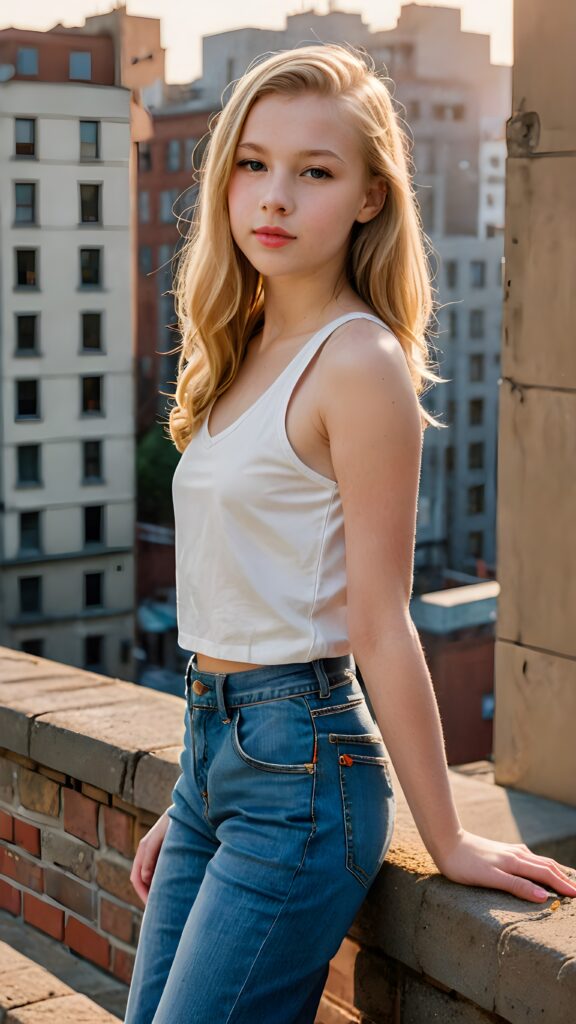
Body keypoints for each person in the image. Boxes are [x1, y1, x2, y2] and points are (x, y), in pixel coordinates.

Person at [124, 43, 576, 1024]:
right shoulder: (238, 348)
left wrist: (447, 837)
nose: (273, 198)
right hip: (216, 757)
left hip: (303, 779)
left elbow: (382, 621)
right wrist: (189, 786)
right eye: (253, 163)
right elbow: (241, 587)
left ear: (371, 195)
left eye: (314, 172)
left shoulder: (358, 360)